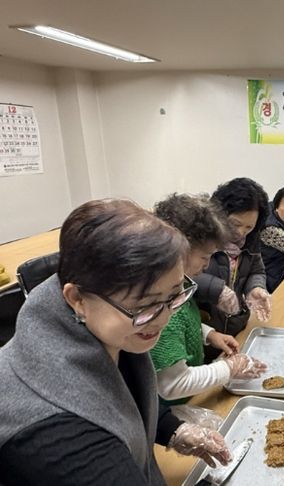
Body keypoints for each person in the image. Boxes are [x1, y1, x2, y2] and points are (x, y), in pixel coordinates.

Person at [0, 199, 231, 485]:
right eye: (145, 305)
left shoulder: (107, 325)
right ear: (77, 298)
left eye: (174, 295)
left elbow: (122, 394)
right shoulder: (63, 434)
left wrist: (173, 430)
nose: (164, 319)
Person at [151, 194, 267, 405]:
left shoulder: (181, 284)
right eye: (205, 257)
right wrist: (229, 368)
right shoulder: (163, 308)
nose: (207, 265)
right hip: (173, 406)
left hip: (193, 396)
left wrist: (208, 334)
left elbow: (185, 322)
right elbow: (172, 384)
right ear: (179, 250)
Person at [195, 178, 272, 358]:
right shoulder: (201, 238)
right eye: (235, 224)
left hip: (234, 327)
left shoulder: (251, 240)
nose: (241, 232)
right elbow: (183, 275)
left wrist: (255, 288)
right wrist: (217, 289)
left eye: (249, 227)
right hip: (204, 330)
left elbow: (256, 270)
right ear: (220, 214)